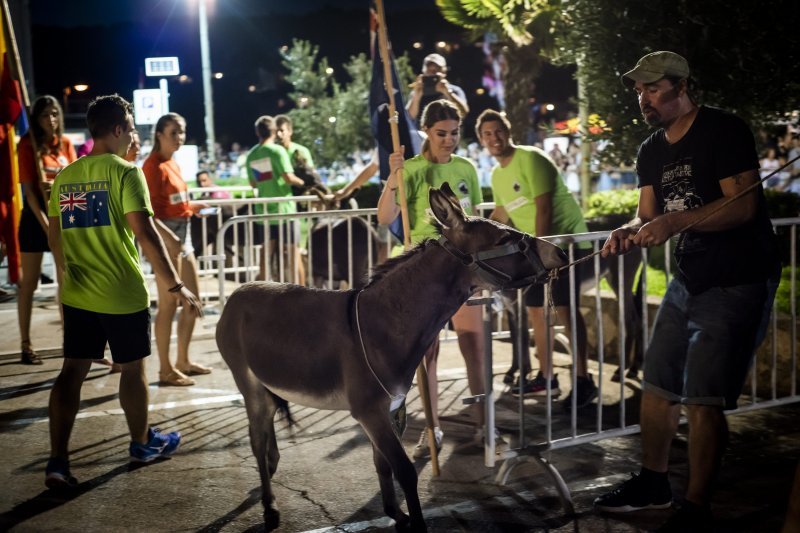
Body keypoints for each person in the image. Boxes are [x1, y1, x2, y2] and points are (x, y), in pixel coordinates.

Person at [594, 51, 780, 530]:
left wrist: (676, 222)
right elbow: (647, 212)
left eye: (653, 88)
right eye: (639, 90)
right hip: (687, 278)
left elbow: (742, 207)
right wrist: (626, 229)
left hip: (737, 278)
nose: (644, 98)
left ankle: (697, 508)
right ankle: (653, 484)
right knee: (657, 387)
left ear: (682, 85)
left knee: (703, 398)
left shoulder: (723, 130)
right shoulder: (651, 149)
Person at [44, 94, 202, 488]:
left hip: (79, 294)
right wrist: (176, 284)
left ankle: (58, 462)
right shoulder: (126, 173)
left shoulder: (66, 177)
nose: (132, 136)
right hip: (121, 293)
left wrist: (69, 279)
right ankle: (141, 442)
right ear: (117, 130)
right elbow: (146, 235)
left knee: (71, 372)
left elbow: (55, 238)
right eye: (130, 128)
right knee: (132, 368)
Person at [377, 99, 491, 458]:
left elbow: (475, 218)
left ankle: (483, 423)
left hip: (463, 271)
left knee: (474, 345)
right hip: (424, 276)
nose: (449, 140)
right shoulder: (409, 168)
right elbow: (384, 217)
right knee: (427, 354)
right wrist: (394, 180)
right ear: (426, 131)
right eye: (441, 133)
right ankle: (432, 426)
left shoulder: (466, 168)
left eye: (454, 133)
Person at [476, 109, 598, 408]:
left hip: (563, 243)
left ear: (508, 130)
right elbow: (502, 214)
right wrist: (478, 239)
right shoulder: (496, 173)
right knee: (534, 310)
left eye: (498, 131)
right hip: (535, 252)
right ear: (481, 140)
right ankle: (547, 376)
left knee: (565, 310)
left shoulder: (530, 158)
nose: (495, 138)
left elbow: (544, 209)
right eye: (487, 134)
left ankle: (584, 380)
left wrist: (541, 252)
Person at [142, 113, 212, 387]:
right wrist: (168, 237)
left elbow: (175, 201)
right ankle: (165, 369)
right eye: (173, 132)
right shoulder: (152, 166)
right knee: (169, 304)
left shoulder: (173, 163)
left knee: (193, 301)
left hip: (183, 237)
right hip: (166, 240)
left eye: (181, 132)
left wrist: (192, 207)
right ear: (159, 134)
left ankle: (183, 361)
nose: (179, 138)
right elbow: (145, 213)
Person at [16, 95, 76, 365]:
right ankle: (26, 343)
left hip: (63, 220)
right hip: (35, 220)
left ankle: (71, 341)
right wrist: (47, 225)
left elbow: (74, 182)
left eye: (55, 114)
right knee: (28, 283)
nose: (51, 120)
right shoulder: (28, 146)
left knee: (67, 283)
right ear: (36, 119)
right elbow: (29, 193)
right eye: (44, 115)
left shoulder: (65, 144)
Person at [245, 115, 306, 284]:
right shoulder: (277, 151)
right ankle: (303, 294)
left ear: (257, 132)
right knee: (294, 256)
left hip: (264, 212)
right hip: (285, 210)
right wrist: (303, 182)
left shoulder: (252, 155)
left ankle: (263, 298)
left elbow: (253, 183)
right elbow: (288, 178)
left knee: (265, 257)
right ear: (273, 131)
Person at [406, 53, 469, 127]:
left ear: (444, 72)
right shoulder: (418, 92)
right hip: (423, 135)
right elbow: (409, 118)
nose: (433, 73)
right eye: (429, 70)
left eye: (437, 70)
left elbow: (463, 113)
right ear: (424, 72)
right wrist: (416, 97)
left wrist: (447, 93)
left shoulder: (454, 90)